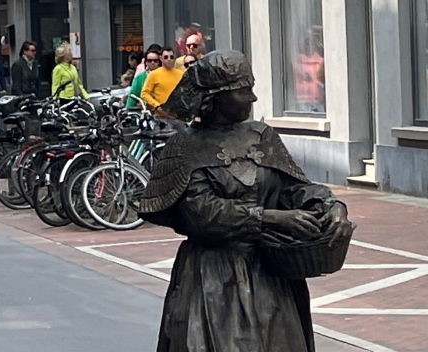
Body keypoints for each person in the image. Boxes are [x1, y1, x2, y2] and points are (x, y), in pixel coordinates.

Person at [139, 50, 354, 352]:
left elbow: (294, 187)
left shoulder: (261, 136)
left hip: (270, 276)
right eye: (243, 90)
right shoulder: (185, 146)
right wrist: (268, 218)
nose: (252, 98)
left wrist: (331, 205)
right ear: (217, 97)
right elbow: (202, 213)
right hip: (213, 279)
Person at [140, 46, 183, 116]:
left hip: (178, 114)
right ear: (161, 58)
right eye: (166, 57)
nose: (169, 59)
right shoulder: (154, 74)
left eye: (171, 57)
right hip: (161, 115)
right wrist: (157, 106)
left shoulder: (181, 74)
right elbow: (144, 93)